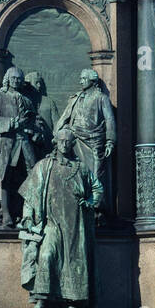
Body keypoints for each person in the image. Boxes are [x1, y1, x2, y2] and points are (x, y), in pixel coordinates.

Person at [18, 130, 104, 308]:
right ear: (55, 142)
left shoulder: (81, 169)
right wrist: (27, 216)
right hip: (51, 223)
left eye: (68, 142)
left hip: (75, 225)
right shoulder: (43, 166)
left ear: (73, 144)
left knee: (74, 262)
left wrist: (90, 202)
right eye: (62, 141)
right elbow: (30, 196)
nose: (65, 144)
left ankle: (73, 300)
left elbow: (98, 188)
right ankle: (41, 300)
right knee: (46, 256)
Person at [54, 69, 116, 223]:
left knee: (96, 176)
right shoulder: (76, 98)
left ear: (92, 81)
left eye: (83, 78)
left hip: (95, 141)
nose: (80, 81)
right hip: (76, 140)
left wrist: (110, 140)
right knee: (77, 174)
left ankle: (97, 209)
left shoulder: (101, 98)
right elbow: (66, 118)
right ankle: (77, 206)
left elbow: (109, 120)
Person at [0, 67, 40, 227]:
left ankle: (28, 214)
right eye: (14, 78)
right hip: (6, 145)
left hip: (24, 144)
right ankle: (1, 214)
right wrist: (11, 122)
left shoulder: (27, 100)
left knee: (31, 178)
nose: (16, 81)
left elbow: (34, 121)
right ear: (7, 79)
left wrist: (34, 131)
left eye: (19, 78)